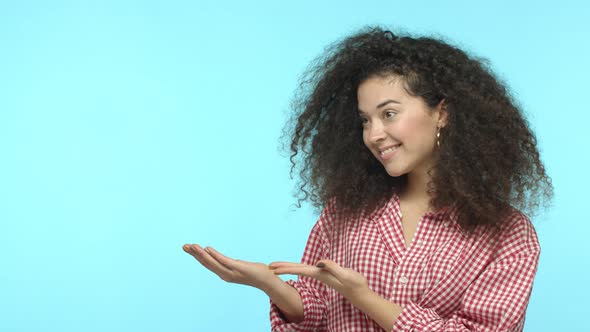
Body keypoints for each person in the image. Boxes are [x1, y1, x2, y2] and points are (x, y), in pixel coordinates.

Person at [183, 26, 553, 331]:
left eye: (388, 114)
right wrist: (270, 285)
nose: (374, 134)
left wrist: (365, 298)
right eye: (364, 120)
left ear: (442, 113)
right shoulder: (345, 211)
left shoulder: (507, 234)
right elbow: (316, 311)